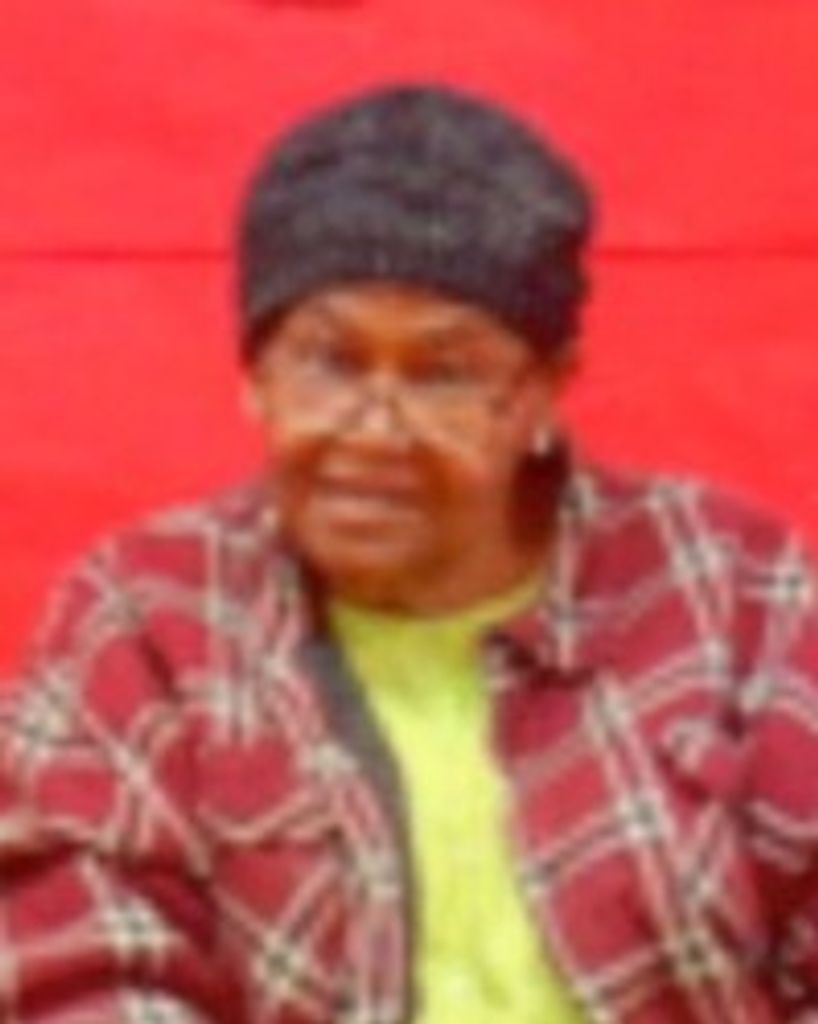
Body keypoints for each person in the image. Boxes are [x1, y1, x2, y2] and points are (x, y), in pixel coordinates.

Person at [1, 82, 817, 1024]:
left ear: (544, 393)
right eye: (330, 361)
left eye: (444, 374)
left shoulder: (730, 585)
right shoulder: (147, 618)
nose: (376, 430)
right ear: (255, 376)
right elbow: (81, 965)